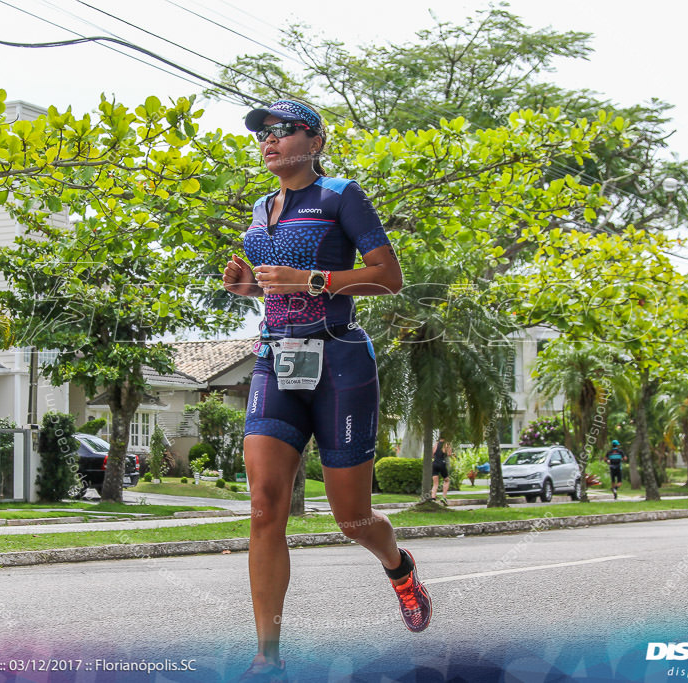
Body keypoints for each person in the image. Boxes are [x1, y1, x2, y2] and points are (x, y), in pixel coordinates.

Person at [222, 99, 431, 682]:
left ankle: (399, 566)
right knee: (265, 505)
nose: (270, 140)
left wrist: (312, 279)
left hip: (340, 361)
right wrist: (247, 289)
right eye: (264, 133)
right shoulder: (262, 210)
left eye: (284, 131)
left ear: (314, 141)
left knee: (352, 518)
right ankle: (268, 655)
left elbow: (389, 278)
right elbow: (275, 292)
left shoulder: (341, 195)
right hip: (275, 359)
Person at [430, 437, 452, 505]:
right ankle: (444, 497)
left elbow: (432, 454)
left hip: (434, 463)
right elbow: (449, 454)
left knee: (435, 483)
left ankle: (433, 498)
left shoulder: (436, 444)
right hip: (442, 463)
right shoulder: (447, 444)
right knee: (447, 480)